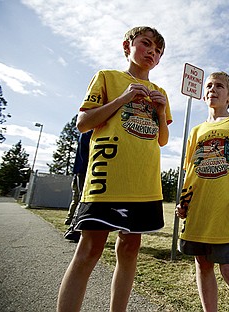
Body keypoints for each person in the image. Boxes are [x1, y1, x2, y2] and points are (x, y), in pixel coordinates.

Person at [57, 26, 172, 312]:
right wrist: (122, 99)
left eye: (158, 51)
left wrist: (159, 111)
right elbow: (82, 123)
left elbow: (162, 139)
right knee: (89, 250)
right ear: (127, 46)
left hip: (144, 183)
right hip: (107, 176)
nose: (152, 52)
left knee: (130, 250)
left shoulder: (160, 91)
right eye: (146, 44)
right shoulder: (107, 77)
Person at [175, 71, 229, 312]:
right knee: (202, 264)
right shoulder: (196, 131)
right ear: (204, 96)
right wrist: (183, 202)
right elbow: (190, 170)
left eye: (219, 86)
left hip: (226, 209)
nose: (212, 89)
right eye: (209, 86)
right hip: (197, 211)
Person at [64, 130, 93, 242]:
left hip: (81, 169)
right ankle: (75, 229)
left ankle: (74, 227)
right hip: (87, 169)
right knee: (84, 198)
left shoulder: (86, 131)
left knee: (82, 198)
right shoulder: (90, 132)